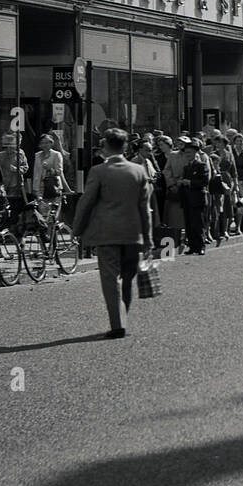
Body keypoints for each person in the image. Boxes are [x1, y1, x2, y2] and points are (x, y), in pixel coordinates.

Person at [72, 127, 152, 339]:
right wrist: (148, 238)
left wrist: (77, 229)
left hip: (107, 233)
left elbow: (86, 202)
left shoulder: (98, 171)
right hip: (133, 234)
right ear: (125, 147)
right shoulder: (138, 171)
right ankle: (123, 315)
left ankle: (118, 324)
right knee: (127, 279)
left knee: (110, 279)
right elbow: (145, 208)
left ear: (106, 147)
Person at [182, 136, 212, 254]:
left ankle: (201, 246)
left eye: (189, 152)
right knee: (189, 225)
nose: (187, 154)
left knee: (198, 224)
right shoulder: (186, 167)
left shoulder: (201, 165)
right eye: (186, 153)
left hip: (198, 199)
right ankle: (193, 246)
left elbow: (204, 182)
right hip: (187, 199)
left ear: (195, 152)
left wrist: (190, 182)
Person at [0, 133, 30, 216]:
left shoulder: (20, 154)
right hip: (3, 185)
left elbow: (25, 168)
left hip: (15, 185)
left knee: (14, 206)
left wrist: (16, 169)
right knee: (3, 206)